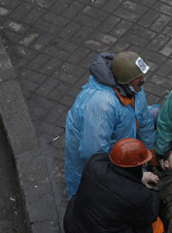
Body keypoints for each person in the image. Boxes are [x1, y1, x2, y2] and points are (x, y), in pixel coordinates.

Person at [63, 138, 163, 233]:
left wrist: (138, 178)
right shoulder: (139, 195)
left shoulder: (95, 163)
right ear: (139, 165)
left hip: (73, 225)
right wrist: (152, 193)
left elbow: (115, 175)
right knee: (156, 227)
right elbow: (148, 216)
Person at [65, 51, 156, 198]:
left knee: (155, 112)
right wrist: (131, 177)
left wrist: (149, 152)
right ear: (126, 80)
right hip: (101, 163)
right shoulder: (101, 105)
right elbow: (94, 156)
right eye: (138, 77)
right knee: (90, 196)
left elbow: (144, 119)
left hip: (121, 146)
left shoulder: (134, 88)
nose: (143, 80)